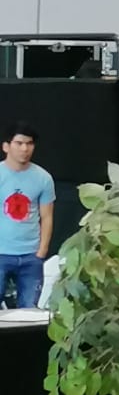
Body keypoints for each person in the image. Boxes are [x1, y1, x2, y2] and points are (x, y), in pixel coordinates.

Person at [0, 123, 55, 308]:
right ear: (6, 146)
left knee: (29, 313)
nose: (25, 148)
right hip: (1, 252)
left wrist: (42, 251)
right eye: (19, 143)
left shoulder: (43, 178)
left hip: (31, 255)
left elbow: (47, 217)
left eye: (29, 143)